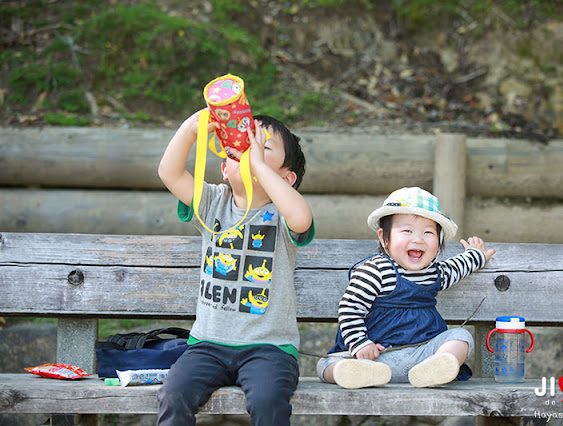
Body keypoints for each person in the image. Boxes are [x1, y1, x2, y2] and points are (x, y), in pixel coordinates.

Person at [156, 109, 314, 425]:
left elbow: (302, 219)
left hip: (269, 350)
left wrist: (256, 165)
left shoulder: (283, 216)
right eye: (241, 143)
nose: (248, 149)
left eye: (262, 147)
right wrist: (190, 129)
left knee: (269, 401)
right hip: (207, 346)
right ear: (225, 169)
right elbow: (170, 173)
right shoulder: (213, 202)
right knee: (173, 393)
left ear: (287, 179)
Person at [317, 187, 495, 389]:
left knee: (461, 337)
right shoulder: (376, 269)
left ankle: (439, 368)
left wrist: (475, 255)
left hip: (420, 360)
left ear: (439, 241)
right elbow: (350, 308)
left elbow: (457, 267)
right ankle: (354, 374)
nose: (418, 239)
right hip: (375, 358)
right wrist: (361, 344)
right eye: (407, 231)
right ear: (384, 238)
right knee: (327, 364)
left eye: (428, 232)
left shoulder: (434, 273)